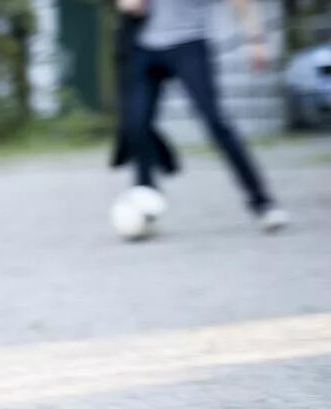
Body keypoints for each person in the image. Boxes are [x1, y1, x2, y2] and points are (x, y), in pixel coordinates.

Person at [111, 0, 289, 239]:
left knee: (215, 122)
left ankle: (263, 203)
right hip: (145, 46)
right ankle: (146, 209)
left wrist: (255, 39)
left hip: (188, 44)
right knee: (137, 126)